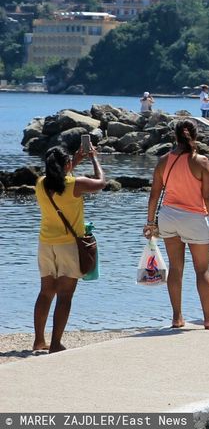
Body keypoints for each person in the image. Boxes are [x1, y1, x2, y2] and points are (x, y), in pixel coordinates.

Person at [144, 120, 209, 330]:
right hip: (194, 218)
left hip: (168, 216)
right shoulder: (202, 161)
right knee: (202, 270)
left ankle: (177, 318)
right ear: (195, 136)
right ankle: (208, 319)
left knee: (176, 268)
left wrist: (150, 223)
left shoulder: (163, 161)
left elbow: (154, 195)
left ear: (175, 137)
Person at [33, 145, 106, 353]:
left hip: (46, 244)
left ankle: (39, 340)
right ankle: (55, 343)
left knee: (45, 292)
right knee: (65, 295)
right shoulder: (75, 184)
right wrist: (93, 159)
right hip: (68, 246)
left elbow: (58, 176)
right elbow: (101, 183)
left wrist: (75, 160)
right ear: (66, 166)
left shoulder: (40, 184)